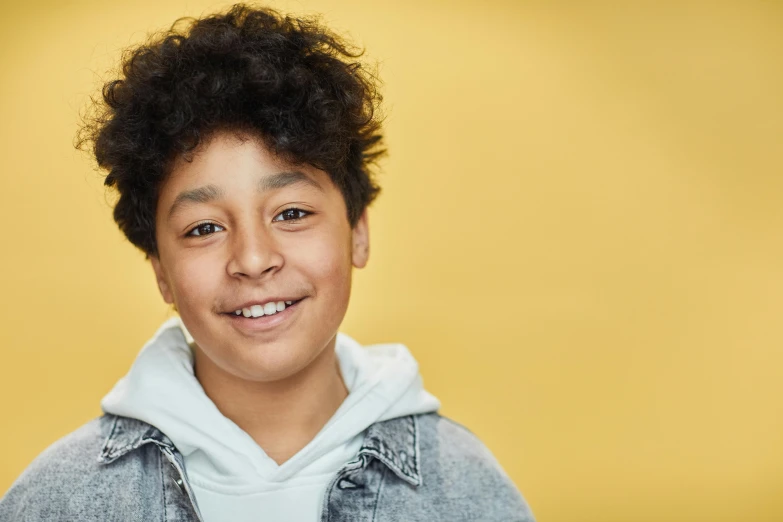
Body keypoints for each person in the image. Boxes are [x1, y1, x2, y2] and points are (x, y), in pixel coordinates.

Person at [0, 4, 535, 521]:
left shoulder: (469, 491)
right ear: (160, 269)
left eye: (293, 212)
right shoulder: (56, 499)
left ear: (357, 232)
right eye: (204, 228)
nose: (253, 260)